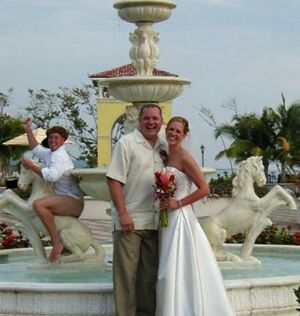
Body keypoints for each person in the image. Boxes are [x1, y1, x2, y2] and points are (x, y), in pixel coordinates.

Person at [156, 116, 235, 316]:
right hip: (167, 216)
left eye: (177, 131)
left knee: (175, 265)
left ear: (184, 135)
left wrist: (178, 203)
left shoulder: (184, 157)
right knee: (166, 265)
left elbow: (205, 189)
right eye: (171, 129)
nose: (173, 133)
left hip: (180, 217)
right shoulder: (167, 155)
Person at [106, 104, 167, 316]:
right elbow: (114, 180)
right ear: (139, 121)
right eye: (147, 118)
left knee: (149, 277)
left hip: (155, 222)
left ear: (161, 121)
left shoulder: (163, 146)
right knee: (126, 277)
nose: (151, 122)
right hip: (129, 222)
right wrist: (123, 214)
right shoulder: (126, 143)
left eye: (155, 119)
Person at [21, 118, 84, 262]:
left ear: (63, 140)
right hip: (63, 199)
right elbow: (35, 148)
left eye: (56, 137)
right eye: (50, 137)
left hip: (72, 201)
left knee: (38, 204)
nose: (52, 140)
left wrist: (31, 167)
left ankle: (56, 243)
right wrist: (28, 129)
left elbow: (52, 176)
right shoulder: (50, 153)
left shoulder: (59, 156)